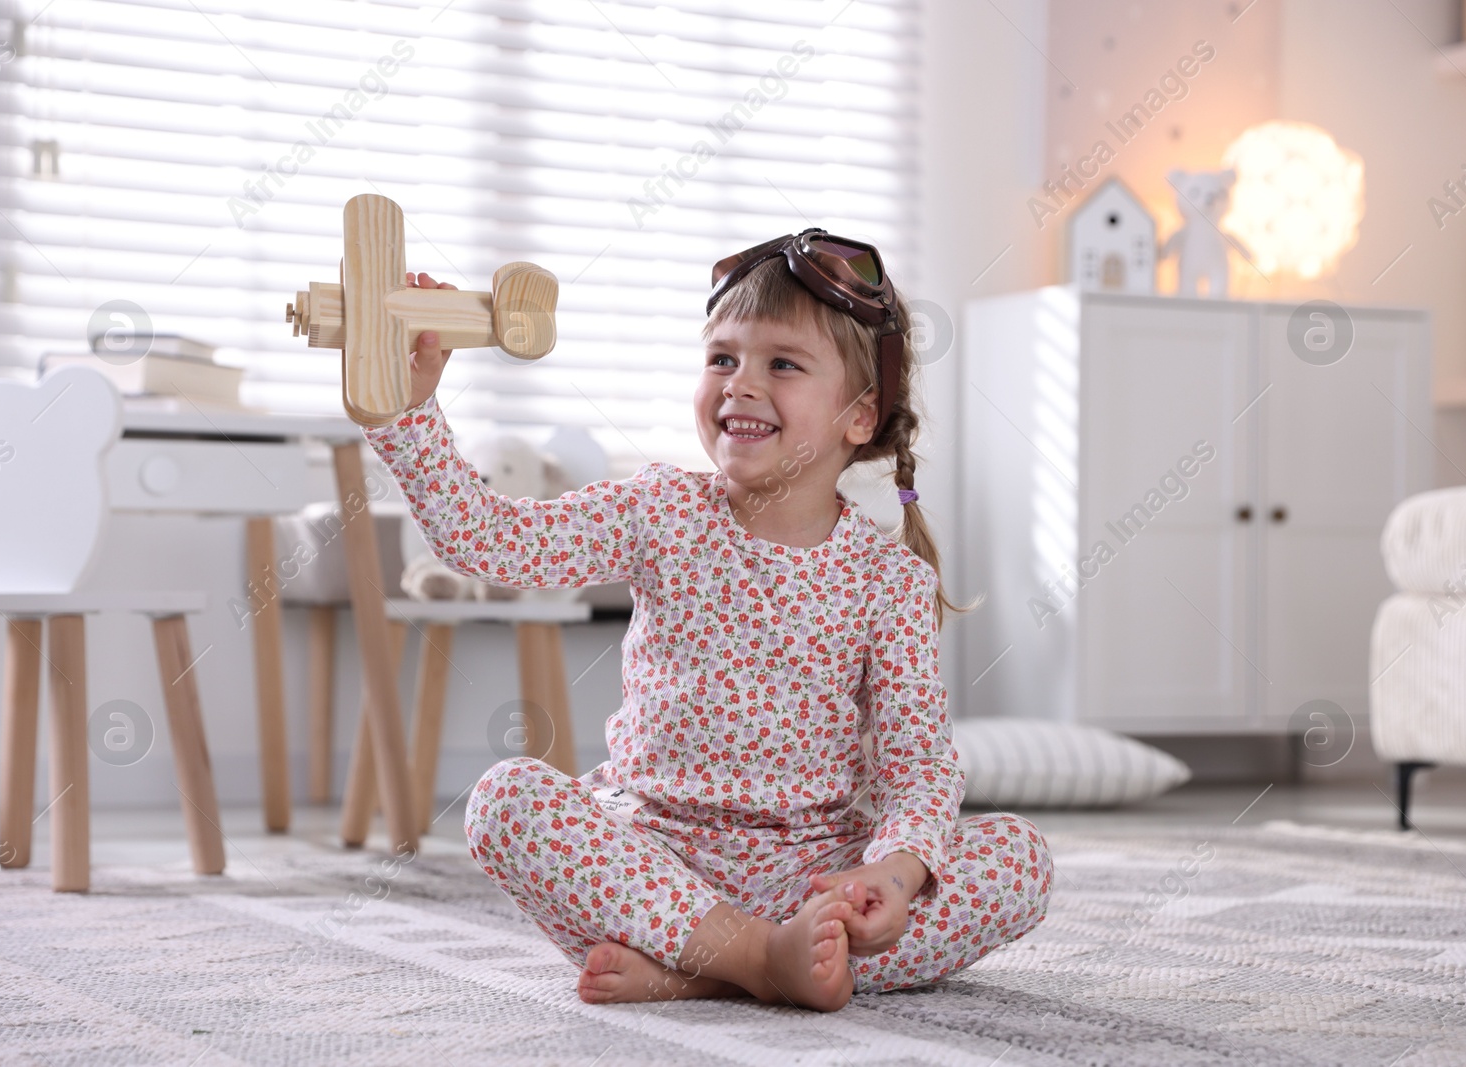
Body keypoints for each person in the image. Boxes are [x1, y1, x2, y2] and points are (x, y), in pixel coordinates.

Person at [364, 230, 1052, 1013]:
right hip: (654, 862)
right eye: (722, 358)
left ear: (860, 416)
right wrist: (409, 409)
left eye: (781, 364)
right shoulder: (658, 510)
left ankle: (704, 971)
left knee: (1018, 859)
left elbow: (918, 770)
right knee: (505, 799)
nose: (739, 385)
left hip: (811, 872)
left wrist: (888, 877)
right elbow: (488, 538)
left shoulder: (889, 580)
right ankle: (759, 959)